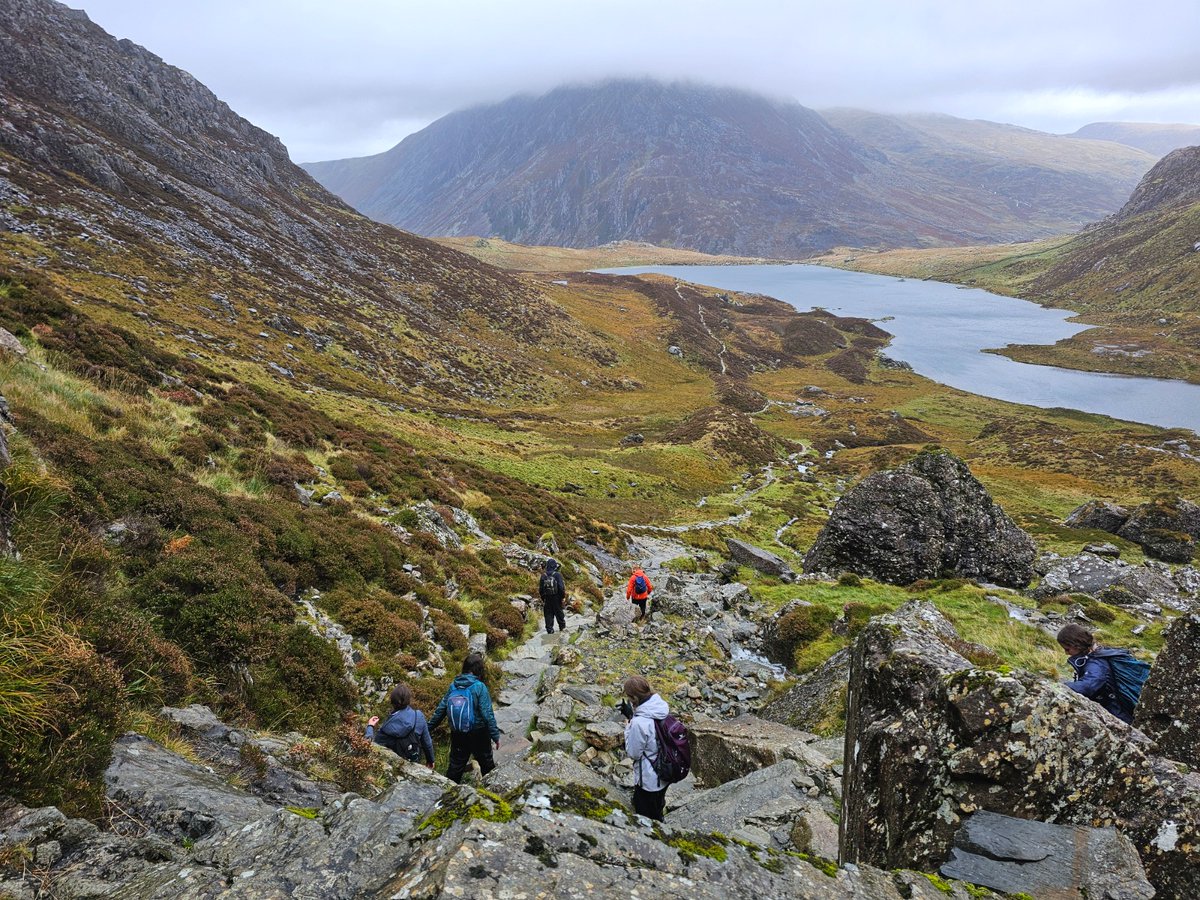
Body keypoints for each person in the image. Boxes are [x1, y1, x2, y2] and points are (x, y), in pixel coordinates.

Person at [428, 652, 501, 782]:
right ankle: (491, 792)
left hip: (458, 732)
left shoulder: (454, 685)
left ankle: (448, 794)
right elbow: (487, 714)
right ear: (479, 669)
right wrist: (495, 736)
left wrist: (428, 728)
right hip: (479, 733)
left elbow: (441, 709)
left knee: (455, 766)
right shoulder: (479, 687)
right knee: (487, 764)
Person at [1056, 623, 1134, 724]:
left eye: (1067, 649)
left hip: (1117, 716)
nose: (1066, 653)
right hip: (1115, 713)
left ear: (1077, 645)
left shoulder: (1095, 662)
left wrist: (1060, 687)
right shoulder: (1098, 653)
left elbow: (1089, 685)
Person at [622, 674, 670, 821]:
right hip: (665, 771)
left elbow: (633, 753)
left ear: (634, 699)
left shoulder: (640, 723)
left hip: (649, 779)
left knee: (645, 816)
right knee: (658, 806)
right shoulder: (660, 707)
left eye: (630, 698)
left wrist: (628, 726)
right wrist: (633, 715)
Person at [366, 683, 434, 768]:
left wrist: (370, 726)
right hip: (412, 761)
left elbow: (370, 746)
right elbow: (427, 742)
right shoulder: (418, 716)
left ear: (392, 701)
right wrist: (430, 760)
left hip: (391, 766)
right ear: (408, 700)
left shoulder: (386, 727)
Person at [539, 558, 567, 634]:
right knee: (559, 613)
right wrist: (563, 597)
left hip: (547, 598)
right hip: (557, 598)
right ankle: (562, 628)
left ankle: (549, 630)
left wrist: (543, 598)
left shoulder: (543, 576)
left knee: (548, 614)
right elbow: (561, 588)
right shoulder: (557, 575)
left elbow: (541, 590)